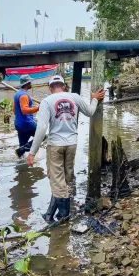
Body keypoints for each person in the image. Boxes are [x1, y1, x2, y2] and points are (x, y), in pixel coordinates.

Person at [26, 75, 105, 221]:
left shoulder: (47, 101)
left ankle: (64, 216)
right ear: (63, 86)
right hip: (72, 144)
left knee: (57, 181)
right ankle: (49, 214)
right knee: (64, 179)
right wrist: (94, 99)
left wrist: (32, 152)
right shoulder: (74, 97)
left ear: (50, 88)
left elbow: (42, 127)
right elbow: (90, 111)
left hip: (55, 145)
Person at [13, 75, 39, 158]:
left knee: (21, 149)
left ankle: (21, 168)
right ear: (27, 83)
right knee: (42, 135)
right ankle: (26, 147)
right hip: (27, 123)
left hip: (18, 124)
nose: (31, 83)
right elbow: (24, 110)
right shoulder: (24, 95)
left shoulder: (17, 94)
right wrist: (38, 108)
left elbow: (14, 110)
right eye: (30, 82)